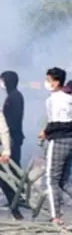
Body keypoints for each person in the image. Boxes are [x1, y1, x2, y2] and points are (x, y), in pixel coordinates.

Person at [40, 67, 72, 224]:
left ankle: (56, 216)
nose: (47, 83)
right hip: (71, 140)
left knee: (51, 179)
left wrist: (45, 133)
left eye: (49, 80)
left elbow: (56, 123)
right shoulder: (71, 98)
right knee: (64, 180)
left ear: (56, 82)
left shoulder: (54, 100)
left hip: (58, 140)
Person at [1, 70, 24, 218]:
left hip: (11, 140)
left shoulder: (14, 97)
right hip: (10, 140)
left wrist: (7, 146)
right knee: (6, 176)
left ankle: (16, 203)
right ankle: (15, 203)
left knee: (8, 175)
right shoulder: (13, 96)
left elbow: (9, 125)